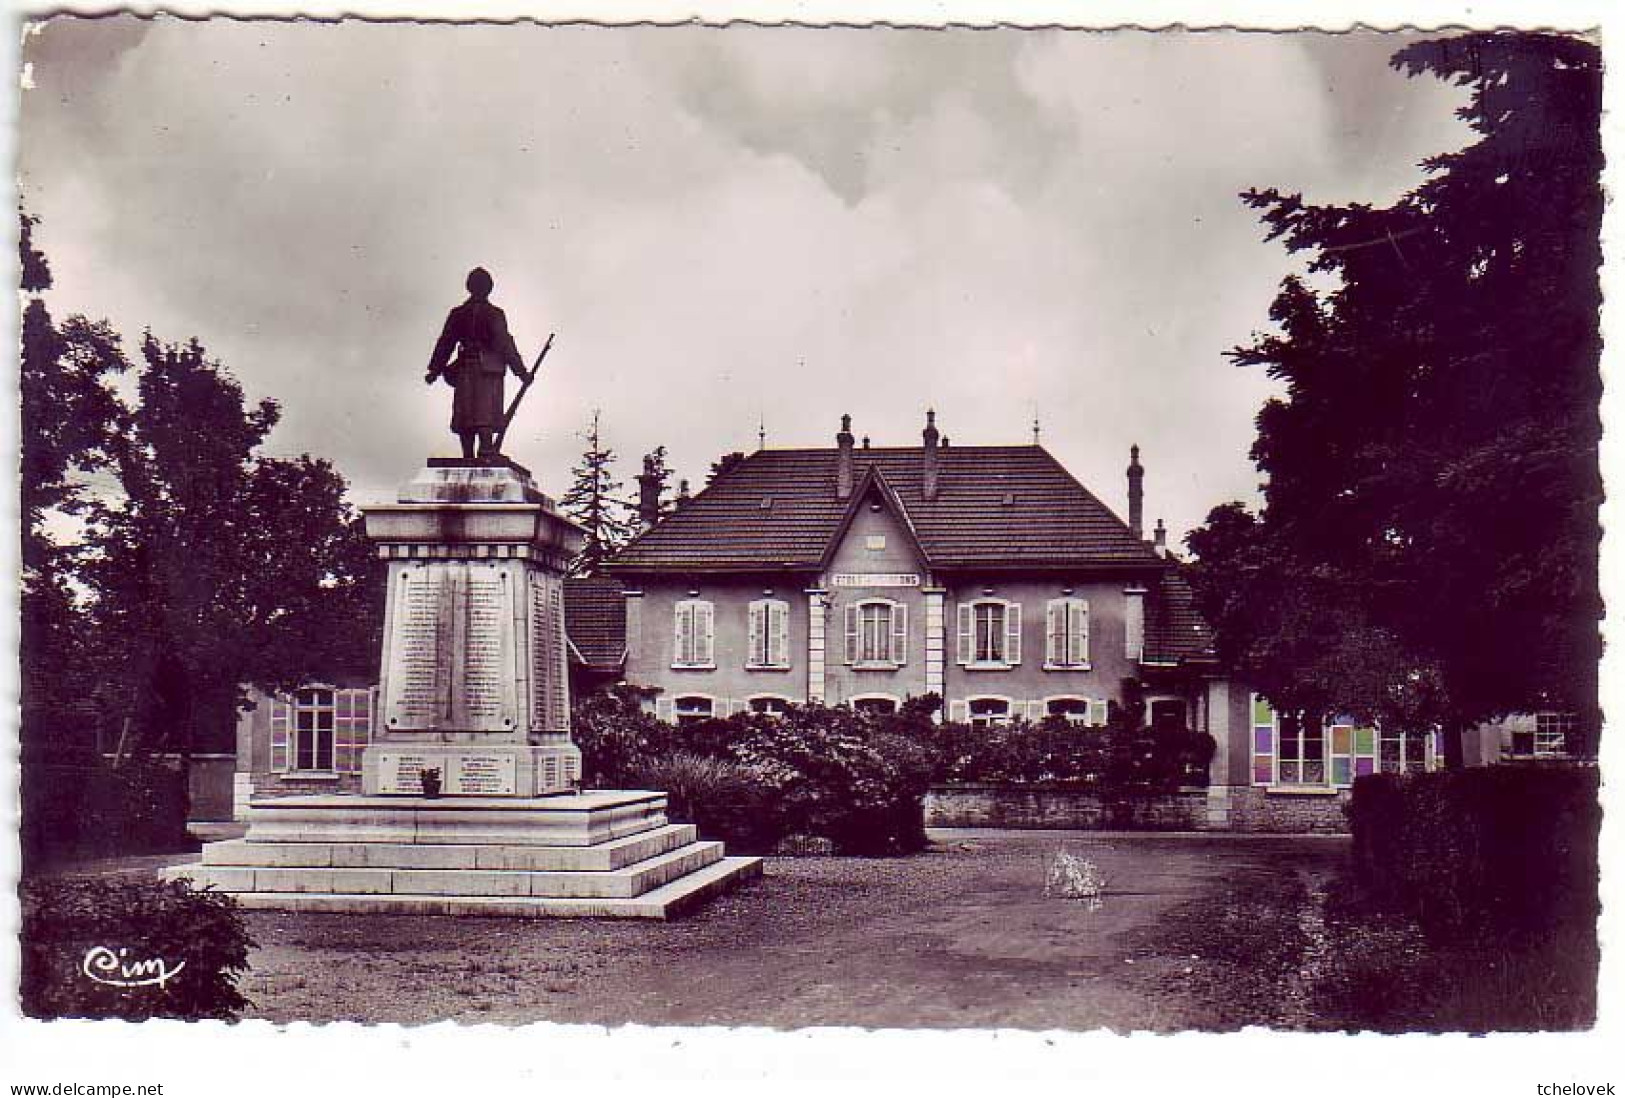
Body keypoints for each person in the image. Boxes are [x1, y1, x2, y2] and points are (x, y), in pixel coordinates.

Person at [425, 267, 531, 459]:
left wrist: (435, 370)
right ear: (489, 288)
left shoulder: (459, 313)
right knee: (484, 413)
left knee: (467, 413)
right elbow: (505, 344)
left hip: (466, 369)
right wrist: (521, 372)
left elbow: (445, 343)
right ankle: (485, 450)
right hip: (486, 371)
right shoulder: (494, 313)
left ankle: (470, 454)